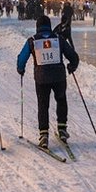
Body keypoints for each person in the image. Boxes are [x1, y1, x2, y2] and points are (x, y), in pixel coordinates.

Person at [17, 15, 79, 149]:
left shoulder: (33, 40)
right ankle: (62, 129)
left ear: (37, 26)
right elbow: (73, 55)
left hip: (41, 78)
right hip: (59, 77)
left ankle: (44, 134)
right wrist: (72, 66)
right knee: (61, 100)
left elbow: (22, 57)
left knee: (43, 104)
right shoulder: (58, 39)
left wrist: (20, 68)